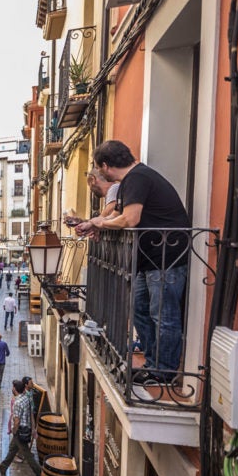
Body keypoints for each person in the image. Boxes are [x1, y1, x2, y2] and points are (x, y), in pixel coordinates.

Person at [75, 140, 192, 384]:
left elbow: (130, 219)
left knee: (164, 315)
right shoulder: (132, 180)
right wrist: (94, 224)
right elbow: (117, 215)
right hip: (149, 259)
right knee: (140, 309)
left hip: (166, 257)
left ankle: (164, 372)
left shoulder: (138, 178)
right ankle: (152, 363)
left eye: (100, 168)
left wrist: (100, 223)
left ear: (105, 166)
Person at [0, 379, 42, 476]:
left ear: (15, 389)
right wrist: (33, 428)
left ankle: (41, 475)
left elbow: (17, 420)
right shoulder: (26, 398)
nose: (12, 388)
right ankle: (3, 467)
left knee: (28, 456)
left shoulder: (17, 403)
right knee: (12, 448)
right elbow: (30, 414)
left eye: (12, 387)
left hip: (20, 431)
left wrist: (14, 431)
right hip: (26, 429)